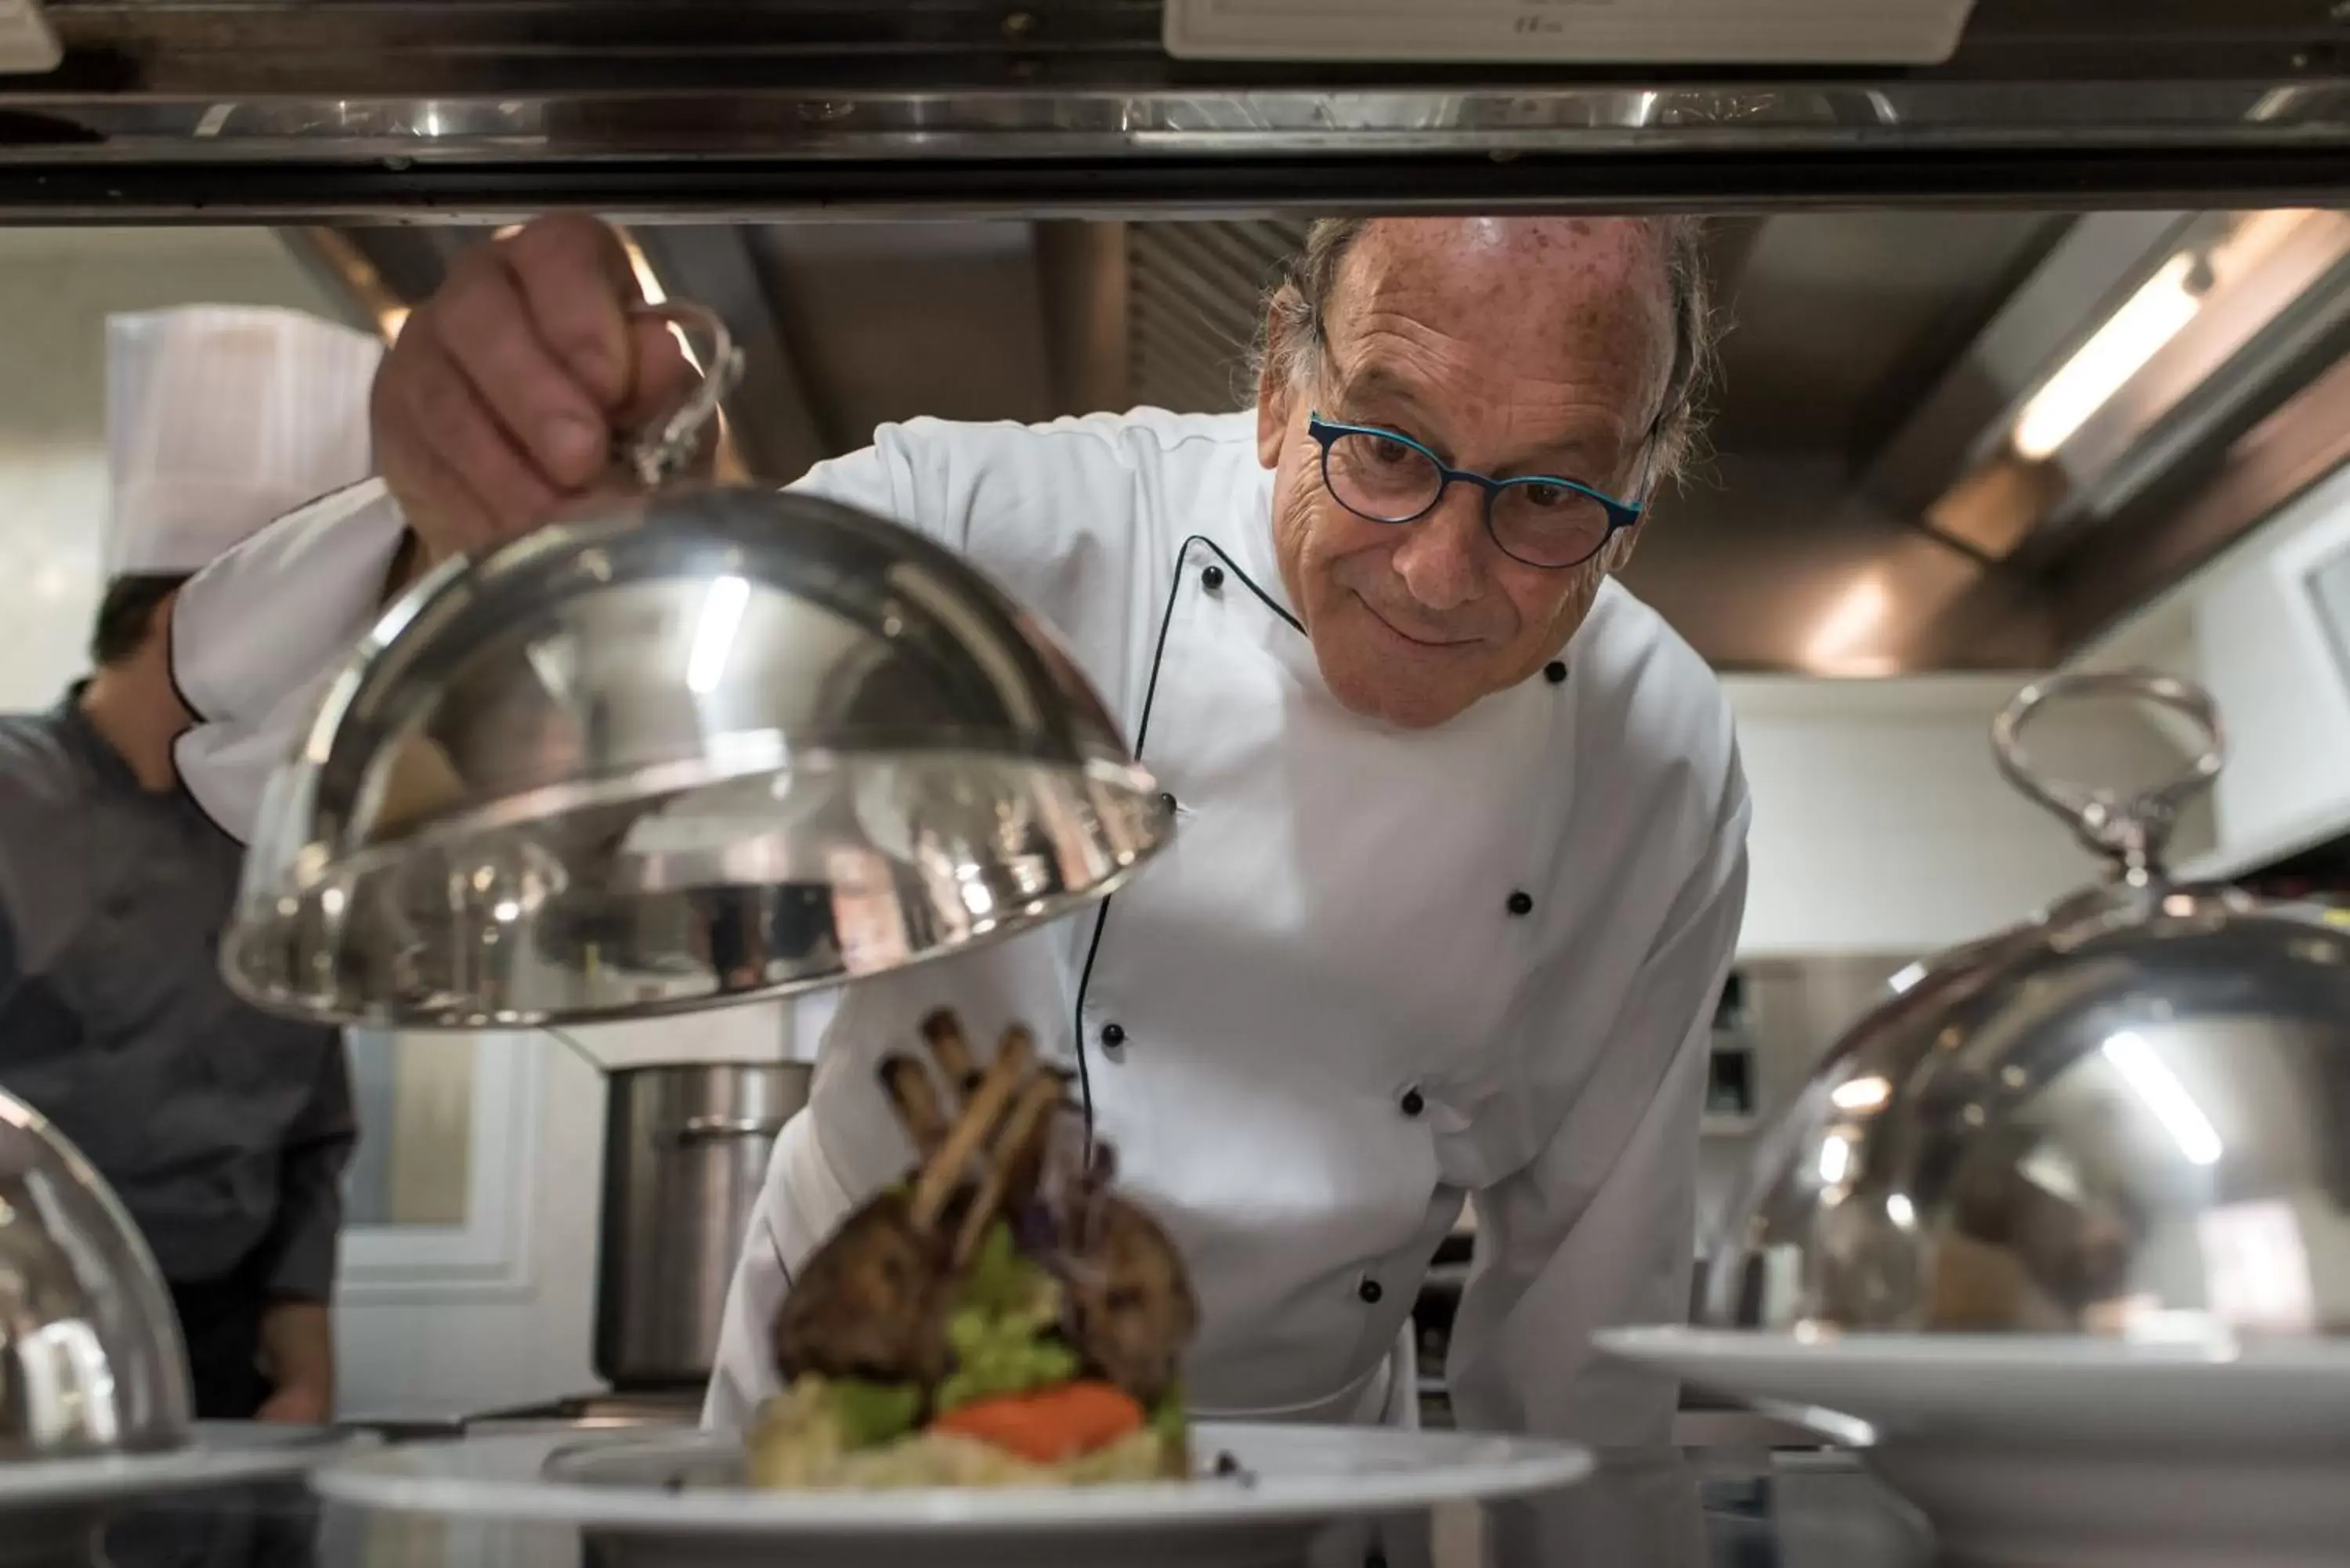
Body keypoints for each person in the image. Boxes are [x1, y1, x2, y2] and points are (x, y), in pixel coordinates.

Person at [163, 215, 1748, 1530]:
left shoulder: (1655, 753)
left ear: (1645, 491)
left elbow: (1585, 1360)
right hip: (850, 1494)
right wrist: (491, 505)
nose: (1438, 567)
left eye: (1549, 496)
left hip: (1289, 1507)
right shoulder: (983, 535)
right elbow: (294, 736)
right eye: (1388, 446)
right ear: (1279, 384)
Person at [0, 304, 378, 1423]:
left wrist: (304, 1366)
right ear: (185, 620)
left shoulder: (284, 835)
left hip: (227, 1357)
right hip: (28, 1339)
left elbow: (312, 1140)